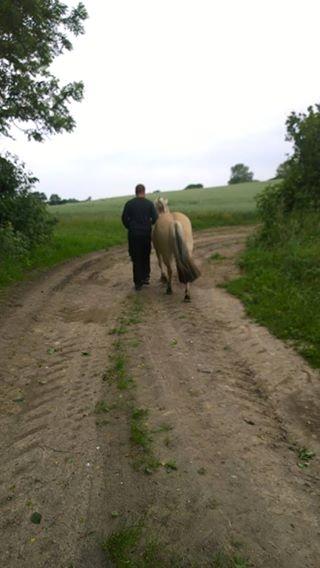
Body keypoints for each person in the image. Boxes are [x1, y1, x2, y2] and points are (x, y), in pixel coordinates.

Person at [121, 184, 158, 290]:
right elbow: (155, 218)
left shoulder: (129, 204)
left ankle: (138, 283)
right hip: (146, 234)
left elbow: (124, 218)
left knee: (136, 257)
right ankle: (145, 277)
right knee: (145, 255)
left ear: (135, 192)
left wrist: (130, 227)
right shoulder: (149, 204)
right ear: (144, 191)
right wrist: (148, 224)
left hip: (133, 235)